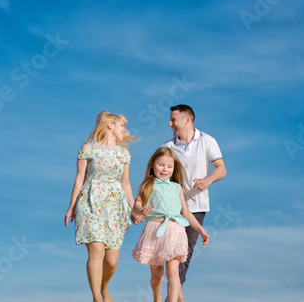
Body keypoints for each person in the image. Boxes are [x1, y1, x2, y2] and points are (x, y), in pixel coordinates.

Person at [64, 111, 139, 302]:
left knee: (112, 262)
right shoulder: (88, 148)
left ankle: (104, 288)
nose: (125, 130)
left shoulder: (124, 153)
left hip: (115, 206)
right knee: (96, 250)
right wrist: (71, 206)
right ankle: (96, 298)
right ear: (110, 126)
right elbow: (79, 178)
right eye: (122, 126)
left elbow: (126, 184)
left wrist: (134, 209)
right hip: (89, 202)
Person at [162, 104, 227, 300]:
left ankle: (174, 296)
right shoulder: (167, 148)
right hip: (172, 210)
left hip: (196, 208)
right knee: (173, 256)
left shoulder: (207, 141)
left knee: (185, 255)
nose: (170, 123)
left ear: (187, 120)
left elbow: (221, 169)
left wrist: (207, 180)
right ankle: (173, 297)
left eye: (173, 120)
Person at [132, 147, 209, 302]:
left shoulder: (177, 188)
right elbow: (136, 206)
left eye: (169, 166)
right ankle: (156, 297)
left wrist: (201, 229)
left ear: (174, 169)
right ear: (153, 164)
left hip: (175, 230)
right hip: (155, 231)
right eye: (161, 165)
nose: (165, 169)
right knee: (157, 277)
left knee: (173, 271)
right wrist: (142, 210)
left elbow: (186, 213)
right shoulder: (147, 185)